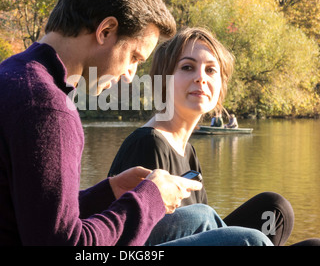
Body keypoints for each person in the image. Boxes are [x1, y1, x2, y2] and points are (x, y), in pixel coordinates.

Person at [0, 0, 270, 247]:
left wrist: (110, 191)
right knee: (247, 241)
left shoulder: (9, 78)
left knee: (199, 217)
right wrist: (149, 199)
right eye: (134, 56)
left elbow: (38, 221)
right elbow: (65, 246)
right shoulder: (48, 109)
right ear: (106, 31)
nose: (132, 75)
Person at [108, 27, 315, 246]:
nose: (200, 78)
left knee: (275, 209)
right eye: (188, 67)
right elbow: (137, 239)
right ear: (163, 80)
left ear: (221, 86)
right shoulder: (147, 144)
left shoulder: (188, 151)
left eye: (211, 70)